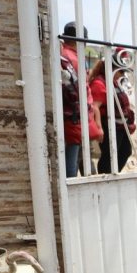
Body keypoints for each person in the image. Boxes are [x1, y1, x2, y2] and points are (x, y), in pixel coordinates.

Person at [89, 51, 135, 174]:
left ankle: (113, 175)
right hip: (109, 125)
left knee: (125, 151)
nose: (122, 75)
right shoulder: (99, 83)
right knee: (109, 156)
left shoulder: (112, 82)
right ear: (112, 69)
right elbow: (94, 107)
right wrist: (99, 128)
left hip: (120, 126)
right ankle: (105, 177)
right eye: (121, 72)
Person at [59, 22, 89, 178]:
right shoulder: (75, 59)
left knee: (74, 155)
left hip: (66, 112)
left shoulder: (62, 54)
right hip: (75, 114)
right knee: (72, 160)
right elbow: (81, 89)